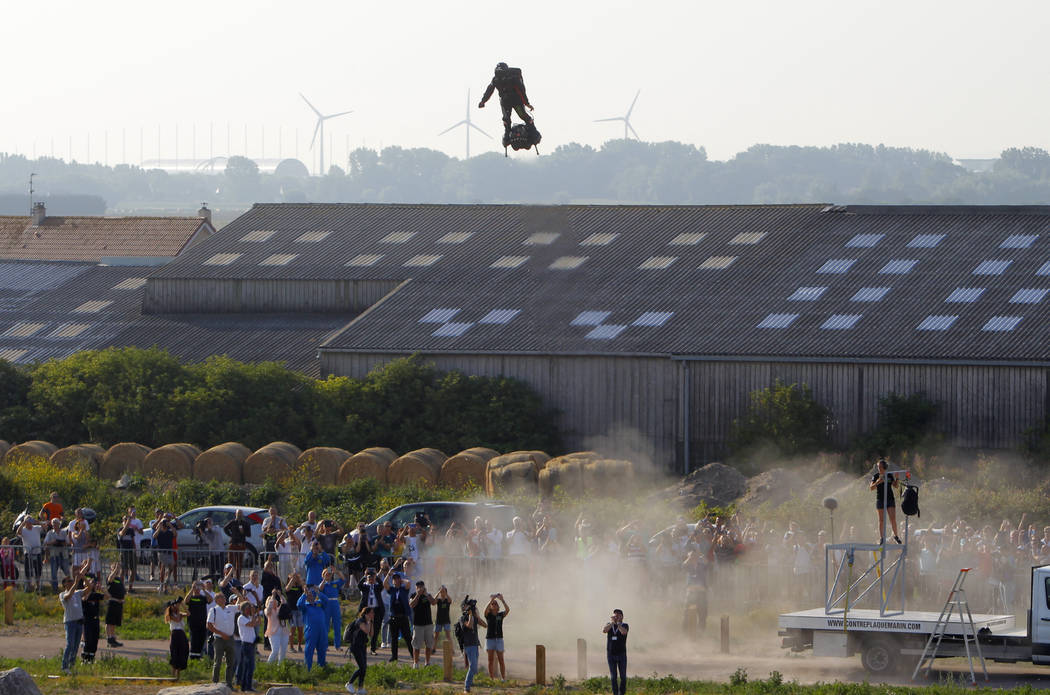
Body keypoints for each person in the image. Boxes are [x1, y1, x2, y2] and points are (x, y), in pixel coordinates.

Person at [478, 62, 535, 144]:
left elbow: (521, 90)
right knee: (506, 118)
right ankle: (507, 135)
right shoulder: (495, 79)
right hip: (505, 102)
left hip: (516, 100)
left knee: (522, 115)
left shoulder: (513, 78)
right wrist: (483, 101)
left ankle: (532, 130)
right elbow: (489, 90)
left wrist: (526, 103)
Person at [59, 561, 91, 675]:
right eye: (69, 581)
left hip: (79, 622)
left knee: (76, 645)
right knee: (70, 644)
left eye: (71, 580)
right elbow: (68, 596)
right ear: (65, 584)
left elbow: (89, 588)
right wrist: (76, 582)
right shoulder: (62, 594)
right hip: (70, 622)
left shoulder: (77, 593)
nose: (71, 581)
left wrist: (83, 577)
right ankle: (64, 666)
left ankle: (71, 665)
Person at [207, 591, 239, 690]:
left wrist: (238, 593)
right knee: (218, 661)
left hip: (230, 638)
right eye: (221, 597)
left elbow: (241, 604)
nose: (223, 599)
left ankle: (229, 683)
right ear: (216, 600)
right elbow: (209, 625)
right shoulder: (214, 610)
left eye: (224, 597)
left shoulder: (230, 608)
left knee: (231, 662)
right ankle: (215, 683)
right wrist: (221, 634)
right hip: (219, 638)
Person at [870, 458, 902, 544]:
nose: (879, 468)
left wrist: (897, 478)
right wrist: (878, 482)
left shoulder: (889, 475)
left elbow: (895, 486)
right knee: (881, 520)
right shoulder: (876, 476)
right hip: (880, 499)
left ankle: (895, 536)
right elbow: (871, 488)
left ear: (884, 467)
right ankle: (882, 538)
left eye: (880, 466)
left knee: (893, 518)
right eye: (878, 467)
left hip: (889, 499)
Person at [384, 571, 413, 662]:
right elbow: (384, 583)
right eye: (395, 579)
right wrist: (389, 574)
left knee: (408, 637)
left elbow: (408, 583)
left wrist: (401, 580)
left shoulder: (404, 589)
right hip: (393, 617)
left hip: (403, 616)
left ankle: (413, 654)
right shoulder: (392, 590)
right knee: (394, 638)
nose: (396, 580)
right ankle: (394, 656)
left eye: (397, 579)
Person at [298, 584, 328, 670]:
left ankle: (321, 668)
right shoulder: (305, 606)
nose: (311, 596)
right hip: (311, 631)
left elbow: (326, 600)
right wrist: (304, 594)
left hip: (322, 631)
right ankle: (308, 669)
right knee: (309, 650)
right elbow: (299, 604)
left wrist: (318, 592)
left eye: (312, 594)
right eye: (309, 595)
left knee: (322, 650)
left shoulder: (319, 604)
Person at [459, 597, 485, 693]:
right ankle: (466, 687)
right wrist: (470, 614)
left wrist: (475, 614)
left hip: (475, 644)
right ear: (463, 607)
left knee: (474, 667)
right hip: (468, 645)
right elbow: (469, 625)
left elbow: (485, 625)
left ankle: (469, 683)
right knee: (473, 666)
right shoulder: (462, 618)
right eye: (467, 606)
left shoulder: (473, 616)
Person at [345, 606, 374, 694]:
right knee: (362, 667)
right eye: (372, 612)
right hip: (355, 646)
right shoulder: (360, 621)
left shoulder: (368, 622)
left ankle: (360, 688)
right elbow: (366, 630)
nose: (373, 614)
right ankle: (349, 683)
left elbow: (371, 634)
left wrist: (371, 622)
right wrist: (369, 621)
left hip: (362, 646)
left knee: (364, 668)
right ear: (366, 613)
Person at [358, 566, 385, 655]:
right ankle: (362, 647)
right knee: (363, 629)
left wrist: (376, 575)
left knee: (375, 630)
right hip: (366, 610)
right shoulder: (365, 587)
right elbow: (359, 585)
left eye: (372, 578)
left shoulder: (378, 587)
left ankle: (373, 648)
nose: (371, 579)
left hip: (377, 610)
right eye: (369, 578)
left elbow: (381, 584)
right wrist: (365, 575)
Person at [483, 593, 510, 680]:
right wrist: (491, 600)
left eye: (495, 604)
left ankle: (503, 678)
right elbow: (485, 610)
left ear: (498, 607)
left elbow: (507, 610)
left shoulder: (500, 615)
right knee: (490, 660)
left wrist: (502, 600)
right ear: (490, 607)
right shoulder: (488, 615)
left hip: (499, 639)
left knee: (501, 660)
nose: (494, 605)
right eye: (492, 604)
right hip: (490, 639)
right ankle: (491, 678)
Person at [410, 580, 435, 667]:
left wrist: (426, 594)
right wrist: (418, 594)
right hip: (418, 624)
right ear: (416, 588)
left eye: (421, 586)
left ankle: (427, 662)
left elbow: (434, 603)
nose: (420, 588)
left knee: (429, 644)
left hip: (428, 624)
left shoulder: (428, 595)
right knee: (416, 645)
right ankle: (415, 663)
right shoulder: (413, 595)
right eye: (418, 587)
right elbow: (412, 605)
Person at [603, 609, 629, 695]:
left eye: (618, 615)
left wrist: (618, 624)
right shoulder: (609, 625)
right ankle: (615, 693)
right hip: (611, 655)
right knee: (613, 677)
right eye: (615, 615)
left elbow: (623, 632)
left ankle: (622, 693)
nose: (616, 617)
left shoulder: (625, 625)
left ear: (622, 616)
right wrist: (612, 623)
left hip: (621, 654)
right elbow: (604, 630)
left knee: (623, 677)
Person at [319, 566, 346, 649]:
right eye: (327, 574)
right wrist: (324, 578)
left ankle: (337, 645)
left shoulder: (335, 583)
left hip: (335, 604)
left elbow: (343, 579)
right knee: (325, 625)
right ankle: (325, 645)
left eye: (330, 574)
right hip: (326, 604)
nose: (328, 575)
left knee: (337, 625)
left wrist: (336, 571)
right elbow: (320, 589)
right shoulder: (323, 584)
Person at [236, 600, 260, 692]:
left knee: (249, 666)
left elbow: (258, 623)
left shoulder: (248, 617)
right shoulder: (241, 618)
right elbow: (252, 624)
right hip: (246, 644)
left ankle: (246, 686)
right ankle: (247, 687)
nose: (250, 610)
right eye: (249, 608)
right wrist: (253, 614)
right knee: (248, 666)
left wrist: (256, 613)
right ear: (245, 609)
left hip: (251, 644)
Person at [186, 580, 212, 660]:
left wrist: (204, 590)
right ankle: (192, 658)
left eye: (198, 587)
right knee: (194, 640)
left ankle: (198, 657)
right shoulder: (191, 598)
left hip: (202, 623)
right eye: (196, 587)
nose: (197, 589)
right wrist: (191, 589)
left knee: (201, 640)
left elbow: (210, 599)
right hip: (193, 623)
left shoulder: (203, 598)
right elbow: (185, 601)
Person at [81, 574, 104, 663]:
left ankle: (91, 658)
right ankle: (84, 658)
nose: (93, 584)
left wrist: (102, 589)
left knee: (95, 639)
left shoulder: (96, 595)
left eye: (94, 582)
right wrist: (89, 587)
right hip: (87, 619)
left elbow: (107, 596)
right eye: (91, 582)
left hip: (95, 620)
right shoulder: (83, 594)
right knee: (88, 639)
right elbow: (84, 599)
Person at [166, 597, 190, 680]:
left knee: (182, 652)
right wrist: (179, 612)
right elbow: (177, 620)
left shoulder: (179, 613)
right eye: (174, 605)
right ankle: (172, 675)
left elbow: (188, 614)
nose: (176, 606)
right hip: (175, 634)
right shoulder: (170, 615)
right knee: (175, 654)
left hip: (181, 634)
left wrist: (182, 604)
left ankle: (178, 676)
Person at [225, 510, 252, 580]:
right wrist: (231, 535)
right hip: (233, 543)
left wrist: (243, 532)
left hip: (241, 544)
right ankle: (229, 578)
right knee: (230, 562)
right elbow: (225, 528)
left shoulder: (245, 523)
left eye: (240, 514)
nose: (239, 515)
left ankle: (237, 578)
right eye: (238, 514)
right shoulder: (232, 522)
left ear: (242, 515)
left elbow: (249, 534)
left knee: (239, 563)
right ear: (235, 514)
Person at [44, 517, 70, 592]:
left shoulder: (63, 532)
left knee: (67, 571)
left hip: (63, 554)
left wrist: (63, 543)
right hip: (54, 555)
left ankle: (69, 586)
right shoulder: (50, 533)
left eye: (56, 524)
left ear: (59, 524)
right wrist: (53, 542)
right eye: (53, 524)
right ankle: (55, 588)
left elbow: (68, 542)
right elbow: (45, 543)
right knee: (54, 573)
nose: (55, 525)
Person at [18, 516, 42, 592]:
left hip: (37, 552)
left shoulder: (36, 528)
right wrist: (23, 523)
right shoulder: (23, 530)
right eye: (27, 522)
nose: (29, 523)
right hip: (28, 553)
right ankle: (29, 586)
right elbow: (18, 532)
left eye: (30, 521)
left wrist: (37, 521)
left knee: (38, 570)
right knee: (28, 571)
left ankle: (38, 586)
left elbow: (45, 526)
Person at [265, 589, 289, 664]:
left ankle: (280, 667)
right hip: (273, 632)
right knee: (275, 650)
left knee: (283, 651)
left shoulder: (280, 609)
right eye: (272, 601)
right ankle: (268, 666)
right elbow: (269, 607)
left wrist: (280, 595)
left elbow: (284, 602)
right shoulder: (267, 611)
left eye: (275, 601)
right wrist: (273, 596)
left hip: (284, 632)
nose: (274, 602)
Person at [105, 563, 125, 647]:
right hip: (112, 602)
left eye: (118, 568)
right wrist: (115, 569)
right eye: (114, 567)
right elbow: (110, 579)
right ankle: (109, 638)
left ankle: (113, 638)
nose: (117, 569)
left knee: (114, 623)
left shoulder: (119, 579)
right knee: (109, 622)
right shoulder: (110, 577)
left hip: (119, 603)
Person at [285, 570, 306, 652]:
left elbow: (305, 589)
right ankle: (291, 646)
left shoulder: (299, 586)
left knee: (300, 629)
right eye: (291, 576)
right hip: (291, 610)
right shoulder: (288, 587)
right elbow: (287, 588)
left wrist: (300, 579)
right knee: (292, 628)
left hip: (299, 610)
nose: (294, 578)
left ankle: (299, 645)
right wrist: (292, 578)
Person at [434, 585, 453, 651]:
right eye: (441, 592)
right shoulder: (438, 600)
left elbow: (450, 601)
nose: (442, 593)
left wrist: (446, 594)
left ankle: (451, 649)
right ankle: (433, 648)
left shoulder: (447, 600)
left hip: (446, 620)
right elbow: (433, 601)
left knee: (448, 636)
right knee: (436, 636)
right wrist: (438, 593)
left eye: (443, 591)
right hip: (439, 620)